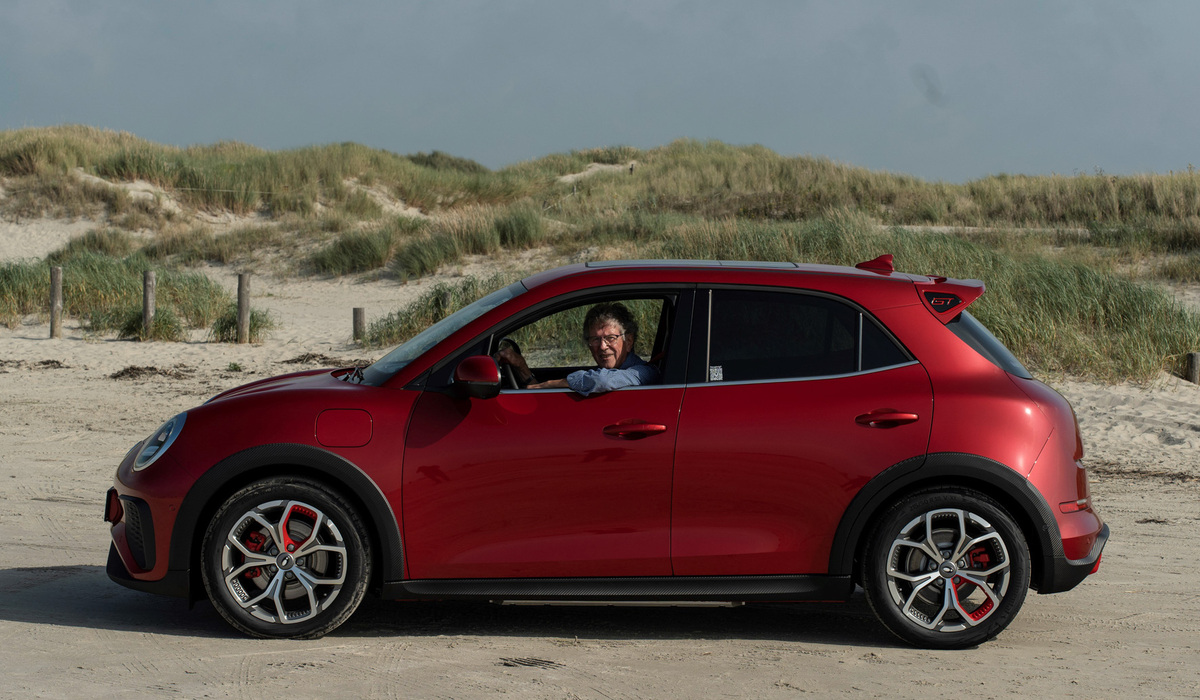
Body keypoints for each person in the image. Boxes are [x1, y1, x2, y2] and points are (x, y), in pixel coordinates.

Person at [497, 302, 659, 396]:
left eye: (610, 338)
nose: (602, 347)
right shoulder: (603, 371)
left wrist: (552, 384)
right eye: (595, 339)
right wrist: (522, 368)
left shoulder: (644, 373)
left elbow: (603, 380)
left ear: (628, 341)